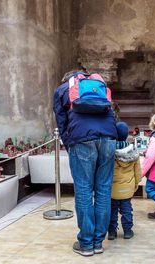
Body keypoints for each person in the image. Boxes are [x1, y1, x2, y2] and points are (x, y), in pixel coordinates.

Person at [53, 70, 117, 256]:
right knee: (104, 190)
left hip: (82, 139)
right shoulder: (99, 86)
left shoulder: (62, 89)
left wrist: (69, 142)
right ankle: (98, 242)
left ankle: (86, 243)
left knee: (84, 190)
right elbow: (111, 112)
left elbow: (61, 120)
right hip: (108, 138)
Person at [107, 122, 141, 240]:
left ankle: (111, 232)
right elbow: (138, 173)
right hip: (128, 188)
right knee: (127, 210)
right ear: (127, 135)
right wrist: (135, 185)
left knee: (112, 211)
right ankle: (127, 231)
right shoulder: (133, 151)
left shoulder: (109, 151)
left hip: (112, 189)